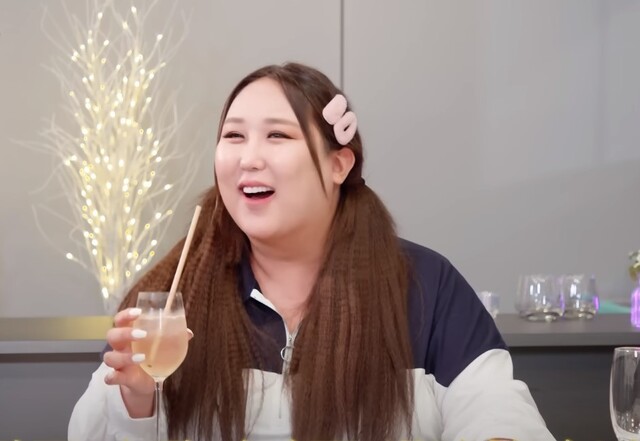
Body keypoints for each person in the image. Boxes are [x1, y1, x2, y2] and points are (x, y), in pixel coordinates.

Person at [68, 62, 555, 441]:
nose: (248, 158)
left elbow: (499, 414)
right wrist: (137, 403)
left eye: (277, 135)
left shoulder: (425, 285)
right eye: (233, 135)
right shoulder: (172, 297)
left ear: (339, 164)